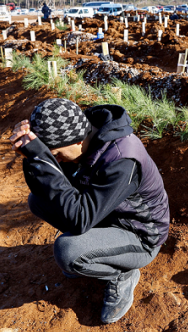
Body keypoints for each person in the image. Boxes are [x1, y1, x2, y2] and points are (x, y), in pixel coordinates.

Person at [9, 99, 170, 324]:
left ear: (77, 141)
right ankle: (98, 251)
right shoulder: (82, 136)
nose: (57, 160)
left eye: (56, 155)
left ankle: (123, 273)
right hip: (107, 214)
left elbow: (80, 219)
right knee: (39, 200)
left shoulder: (121, 158)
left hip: (141, 236)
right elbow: (50, 184)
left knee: (68, 251)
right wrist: (34, 158)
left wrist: (40, 159)